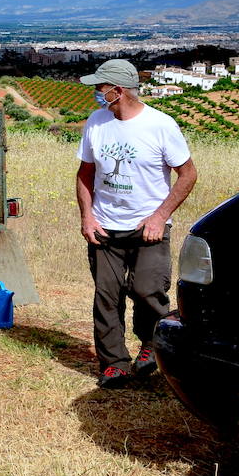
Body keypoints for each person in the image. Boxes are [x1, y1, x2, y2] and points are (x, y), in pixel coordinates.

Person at [76, 59, 197, 388]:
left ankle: (151, 346)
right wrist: (87, 216)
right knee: (106, 295)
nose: (96, 94)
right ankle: (114, 362)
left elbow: (188, 175)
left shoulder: (160, 125)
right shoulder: (96, 123)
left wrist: (160, 217)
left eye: (100, 89)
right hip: (105, 226)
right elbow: (85, 174)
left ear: (117, 91)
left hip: (149, 227)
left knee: (148, 291)